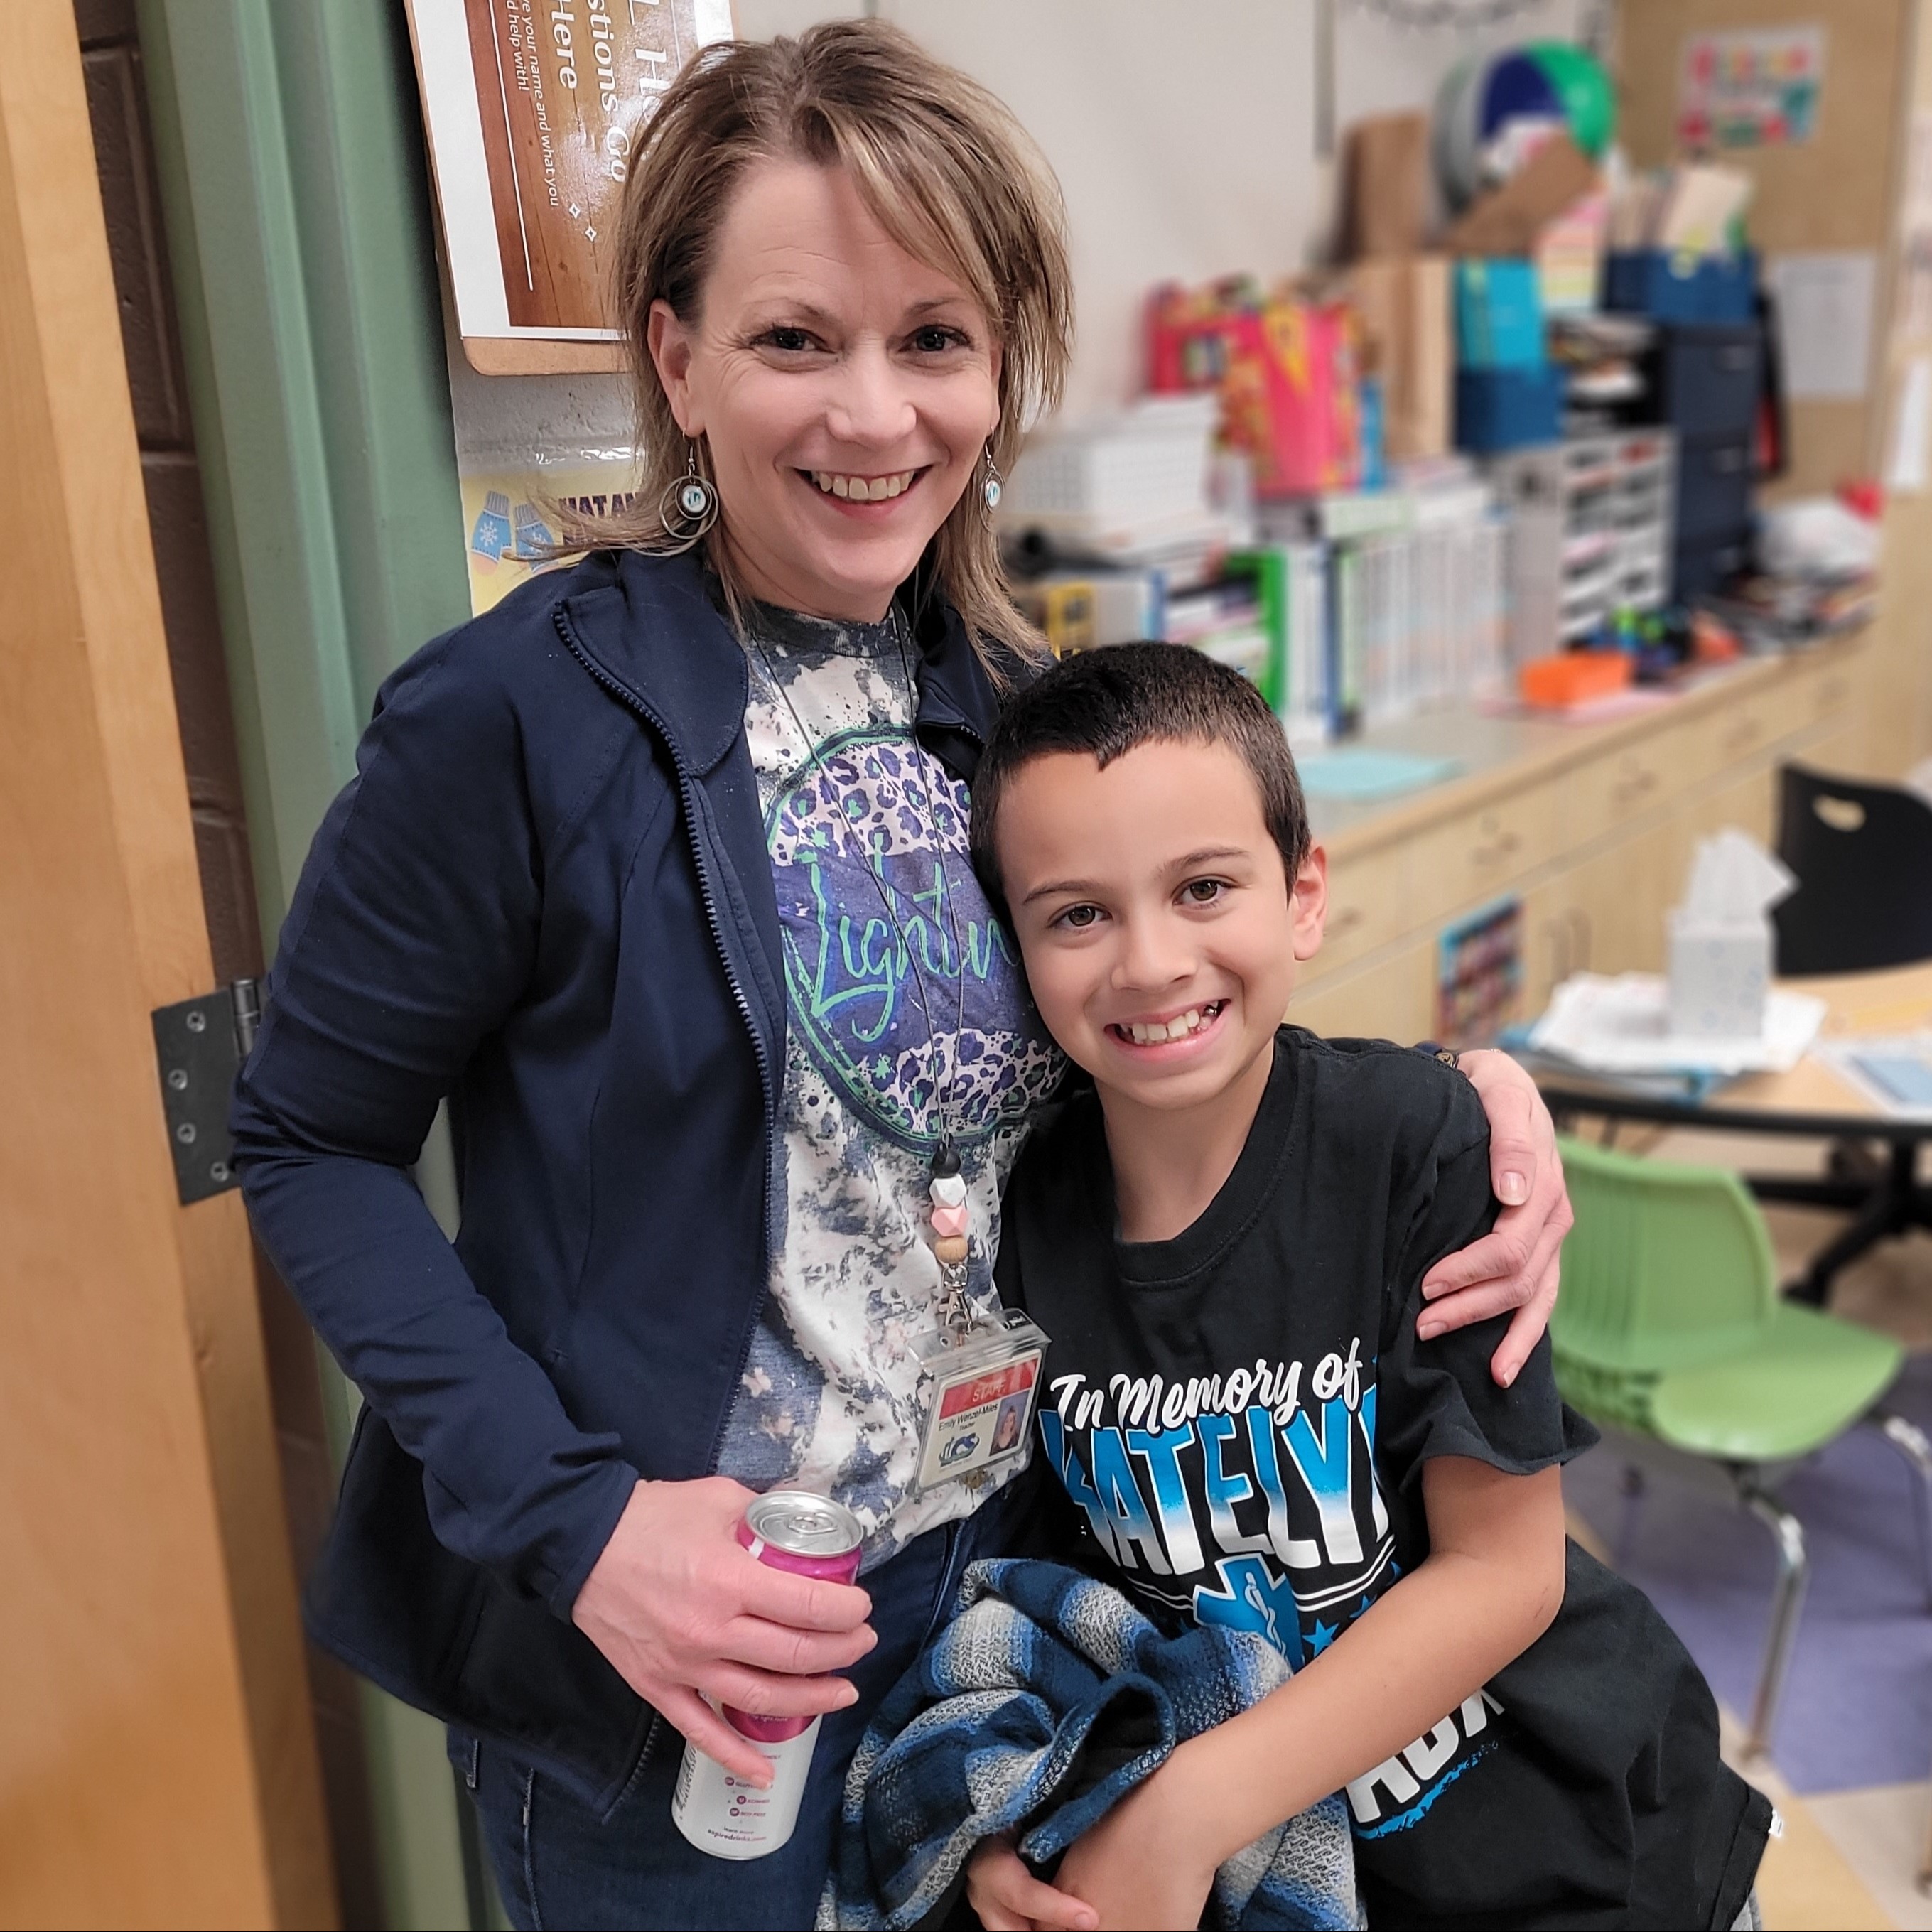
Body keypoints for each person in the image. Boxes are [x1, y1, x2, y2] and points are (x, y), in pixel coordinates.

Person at [231, 23, 1575, 1931]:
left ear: (1000, 367)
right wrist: (581, 1525)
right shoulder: (520, 715)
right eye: (797, 341)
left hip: (1009, 1614)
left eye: (933, 340)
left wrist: (1469, 1110)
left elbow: (1169, 1016)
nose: (876, 418)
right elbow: (305, 1141)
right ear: (679, 361)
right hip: (673, 1668)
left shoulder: (1014, 723)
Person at [961, 644, 1769, 1932]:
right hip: (1305, 1883)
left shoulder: (1422, 1146)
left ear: (1304, 895)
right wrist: (1008, 1823)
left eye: (1205, 886)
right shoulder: (1017, 1229)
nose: (1153, 961)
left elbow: (1506, 1576)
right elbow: (1065, 1610)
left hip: (1572, 1855)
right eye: (1077, 913)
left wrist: (1182, 1813)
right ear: (1013, 943)